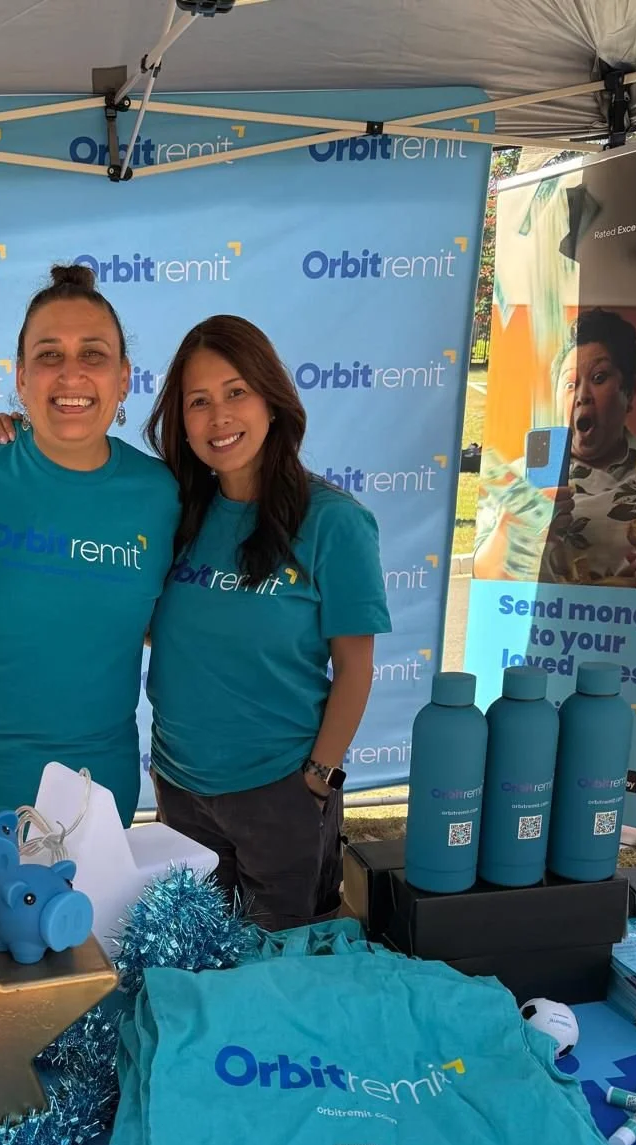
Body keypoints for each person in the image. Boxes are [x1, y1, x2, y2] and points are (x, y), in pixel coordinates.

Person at [0, 263, 179, 831]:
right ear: (21, 377)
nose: (71, 374)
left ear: (124, 378)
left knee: (83, 926)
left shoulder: (161, 495)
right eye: (49, 355)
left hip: (92, 797)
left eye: (94, 355)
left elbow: (167, 622)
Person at [143, 315, 391, 930]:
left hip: (280, 792)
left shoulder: (332, 522)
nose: (218, 416)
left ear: (272, 403)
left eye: (236, 393)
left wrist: (317, 779)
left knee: (283, 975)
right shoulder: (173, 514)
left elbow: (356, 667)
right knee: (203, 967)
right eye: (198, 402)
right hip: (180, 788)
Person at [475, 308, 636, 593]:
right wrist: (510, 529)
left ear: (630, 390)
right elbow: (483, 586)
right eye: (570, 383)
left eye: (599, 378)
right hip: (548, 636)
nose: (582, 396)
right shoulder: (516, 479)